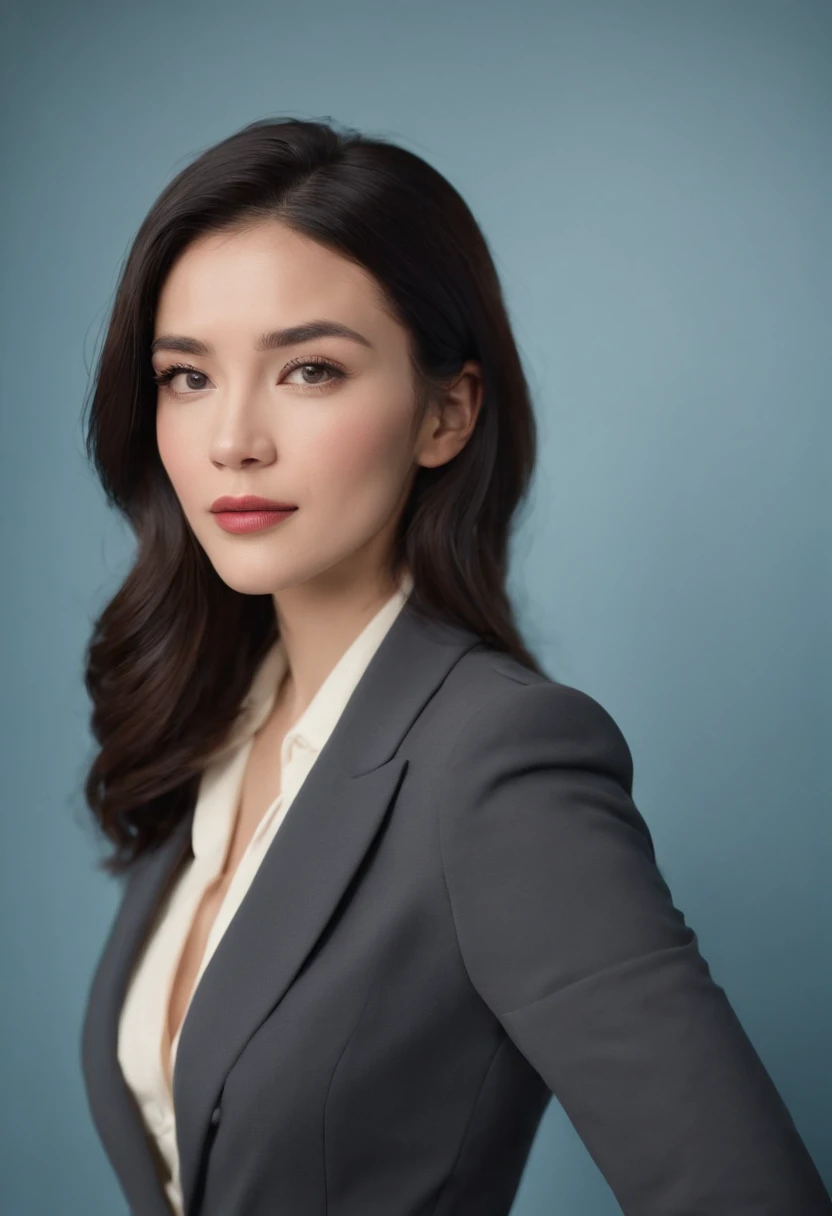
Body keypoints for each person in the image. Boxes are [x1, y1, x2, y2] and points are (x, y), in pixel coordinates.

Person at [79, 116, 831, 1216]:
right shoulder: (218, 729)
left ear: (445, 412)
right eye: (186, 376)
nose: (232, 437)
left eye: (309, 369)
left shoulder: (498, 761)